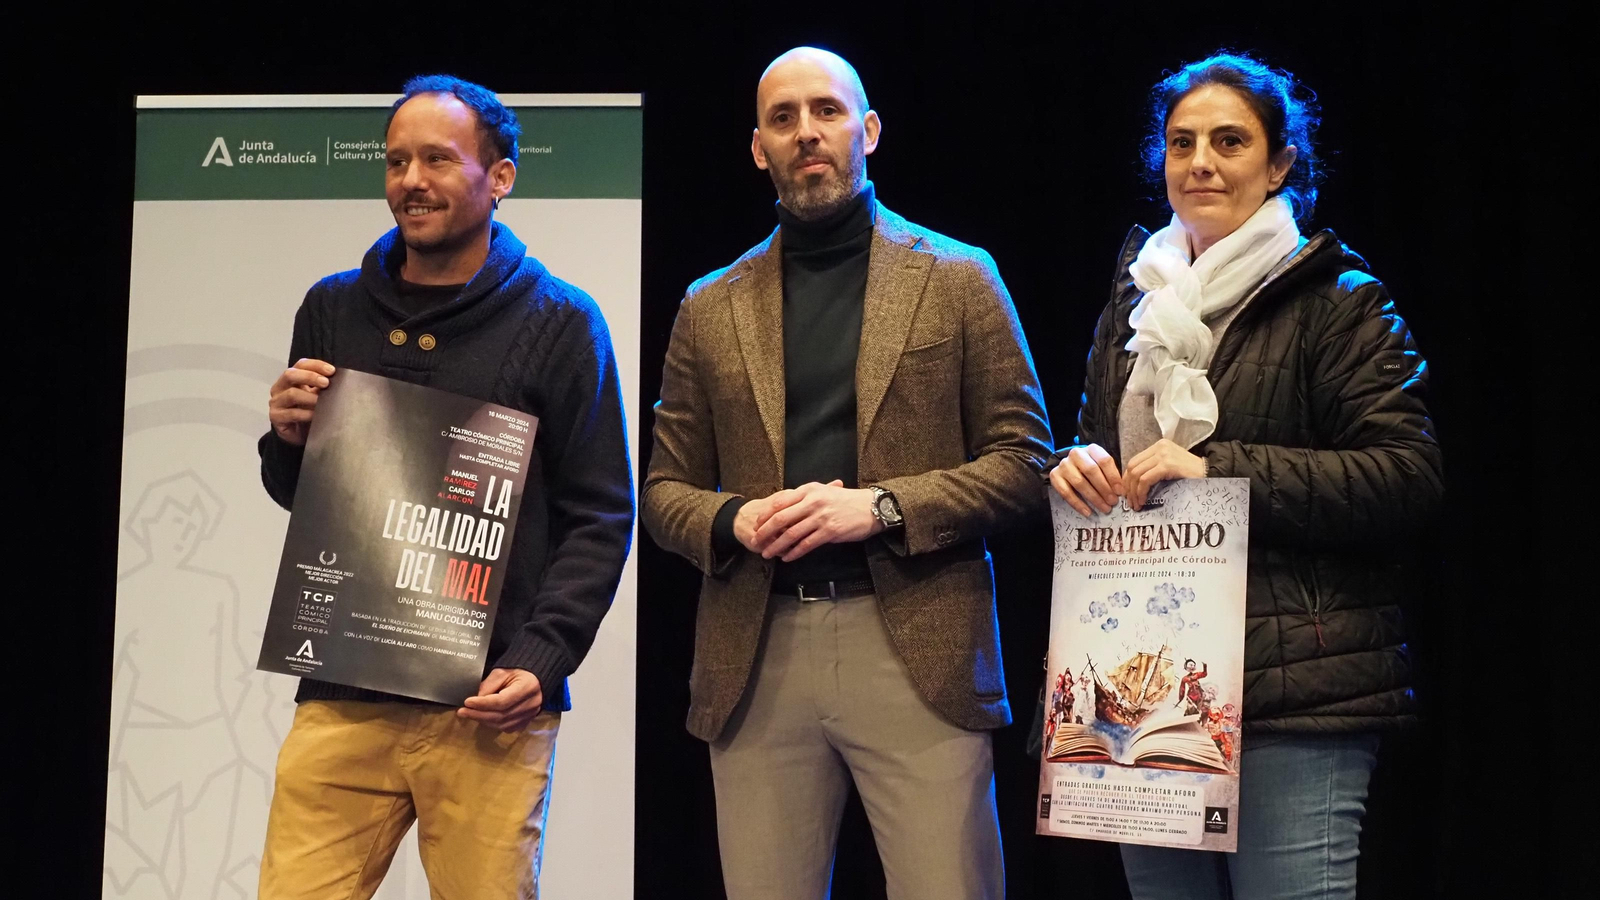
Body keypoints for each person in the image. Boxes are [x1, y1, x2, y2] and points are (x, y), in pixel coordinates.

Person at [641, 46, 1052, 900]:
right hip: (756, 653)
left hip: (916, 642)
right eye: (783, 119)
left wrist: (883, 508)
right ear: (759, 148)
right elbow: (663, 491)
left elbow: (1024, 464)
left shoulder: (959, 276)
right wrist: (734, 522)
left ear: (867, 131)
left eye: (826, 112)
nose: (806, 134)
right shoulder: (709, 302)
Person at [1048, 52, 1442, 899]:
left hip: (1292, 702)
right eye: (1181, 142)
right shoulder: (1136, 302)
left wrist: (1217, 470)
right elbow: (1101, 450)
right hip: (1147, 699)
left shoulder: (1339, 299)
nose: (1201, 162)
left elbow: (1406, 475)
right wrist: (1077, 468)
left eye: (1230, 141)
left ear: (1280, 163)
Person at [255, 75, 634, 899]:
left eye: (436, 159)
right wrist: (287, 439)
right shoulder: (332, 308)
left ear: (498, 177)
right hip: (344, 695)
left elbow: (601, 514)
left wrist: (542, 659)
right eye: (396, 161)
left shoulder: (563, 322)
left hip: (487, 708)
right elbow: (308, 498)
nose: (410, 181)